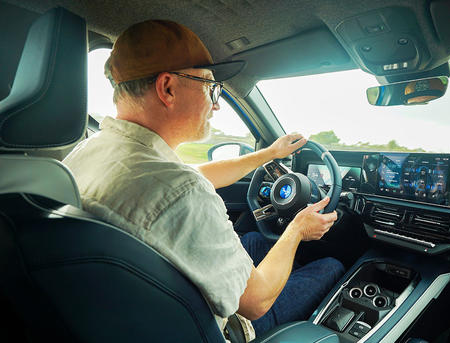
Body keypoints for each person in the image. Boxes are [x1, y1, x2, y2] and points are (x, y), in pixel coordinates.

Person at [63, 19, 345, 339]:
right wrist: (297, 229)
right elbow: (257, 301)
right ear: (168, 88)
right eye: (210, 86)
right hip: (220, 328)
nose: (217, 104)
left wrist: (268, 154)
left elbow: (191, 178)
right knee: (331, 266)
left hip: (130, 315)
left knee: (253, 241)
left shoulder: (95, 151)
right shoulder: (182, 192)